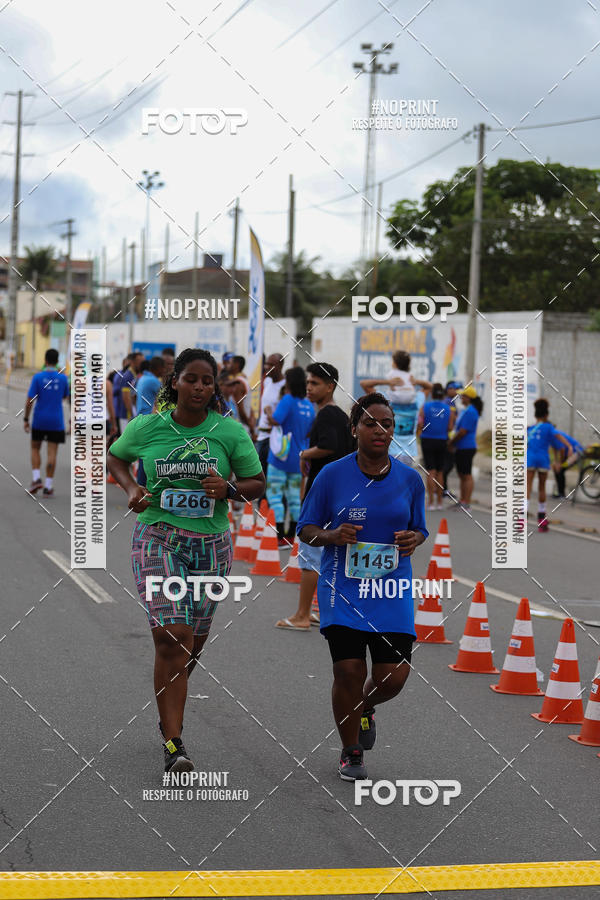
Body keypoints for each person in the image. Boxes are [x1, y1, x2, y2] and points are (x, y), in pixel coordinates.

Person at [107, 348, 265, 774]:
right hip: (158, 535)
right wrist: (130, 488)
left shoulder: (230, 433)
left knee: (190, 643)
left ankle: (168, 705)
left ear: (215, 387)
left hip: (211, 545)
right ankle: (174, 743)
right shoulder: (147, 427)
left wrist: (229, 490)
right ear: (174, 382)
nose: (199, 387)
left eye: (207, 381)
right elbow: (116, 457)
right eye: (191, 379)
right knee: (172, 634)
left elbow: (257, 483)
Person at [297, 392, 427, 780]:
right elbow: (306, 529)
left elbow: (420, 527)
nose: (380, 430)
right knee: (349, 671)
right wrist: (334, 535)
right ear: (354, 429)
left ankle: (364, 707)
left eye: (387, 424)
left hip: (390, 590)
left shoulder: (410, 479)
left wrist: (414, 540)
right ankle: (351, 750)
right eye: (370, 422)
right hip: (344, 589)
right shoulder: (332, 475)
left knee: (394, 675)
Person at [275, 362, 353, 630]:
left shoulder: (328, 414)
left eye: (315, 384)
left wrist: (304, 454)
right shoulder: (340, 415)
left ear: (330, 387)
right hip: (339, 494)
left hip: (324, 496)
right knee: (330, 558)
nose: (309, 388)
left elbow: (329, 447)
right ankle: (322, 610)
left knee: (309, 556)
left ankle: (302, 615)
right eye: (308, 383)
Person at [265, 366, 315, 545]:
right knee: (294, 498)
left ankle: (278, 535)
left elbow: (276, 420)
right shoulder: (309, 405)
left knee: (275, 495)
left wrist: (268, 412)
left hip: (280, 457)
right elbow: (310, 432)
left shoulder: (287, 400)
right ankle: (291, 535)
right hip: (299, 457)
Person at [360, 351, 431, 465]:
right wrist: (415, 381)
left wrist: (388, 382)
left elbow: (364, 384)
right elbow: (429, 386)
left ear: (394, 364)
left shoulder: (386, 400)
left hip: (389, 451)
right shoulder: (417, 400)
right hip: (408, 453)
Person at [25, 348, 70, 496]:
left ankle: (37, 478)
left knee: (35, 448)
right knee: (52, 452)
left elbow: (29, 400)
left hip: (39, 420)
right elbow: (65, 397)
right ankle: (48, 486)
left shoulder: (38, 377)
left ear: (45, 360)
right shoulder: (63, 378)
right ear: (58, 361)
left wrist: (26, 418)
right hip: (56, 421)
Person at [527, 399, 571, 531]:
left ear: (535, 415)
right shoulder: (548, 427)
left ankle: (521, 519)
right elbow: (557, 436)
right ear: (546, 415)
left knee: (527, 487)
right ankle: (541, 519)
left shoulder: (530, 428)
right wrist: (568, 445)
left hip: (530, 458)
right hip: (543, 459)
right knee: (541, 487)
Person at [417, 382, 455, 510]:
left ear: (432, 394)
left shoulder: (425, 407)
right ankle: (439, 502)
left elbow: (420, 424)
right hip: (442, 441)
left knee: (430, 472)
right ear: (443, 394)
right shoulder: (448, 408)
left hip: (427, 440)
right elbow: (450, 427)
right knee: (440, 472)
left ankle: (430, 502)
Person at [446, 386, 482, 510]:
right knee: (462, 474)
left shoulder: (471, 411)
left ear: (469, 398)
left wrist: (451, 442)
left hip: (467, 446)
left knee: (466, 475)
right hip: (462, 447)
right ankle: (462, 500)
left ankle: (466, 501)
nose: (461, 397)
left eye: (463, 395)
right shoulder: (466, 410)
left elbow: (462, 431)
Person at [135, 357, 167, 488]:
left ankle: (141, 485)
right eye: (163, 367)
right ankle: (145, 485)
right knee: (149, 454)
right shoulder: (154, 381)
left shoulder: (142, 378)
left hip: (141, 417)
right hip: (151, 419)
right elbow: (166, 396)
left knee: (143, 453)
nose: (164, 370)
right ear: (158, 368)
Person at [256, 353, 285, 476]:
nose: (267, 367)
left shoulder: (285, 386)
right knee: (259, 474)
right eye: (266, 364)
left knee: (270, 477)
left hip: (273, 438)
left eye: (271, 364)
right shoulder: (267, 381)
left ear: (281, 365)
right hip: (261, 436)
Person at [223, 354, 256, 438]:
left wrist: (251, 428)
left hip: (241, 429)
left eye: (229, 363)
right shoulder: (240, 380)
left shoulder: (238, 384)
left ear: (236, 365)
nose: (227, 365)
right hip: (239, 428)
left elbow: (240, 409)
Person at [550, 428, 584, 499]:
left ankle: (562, 494)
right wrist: (556, 461)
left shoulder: (554, 434)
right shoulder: (550, 435)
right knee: (556, 469)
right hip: (567, 454)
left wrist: (560, 462)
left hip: (576, 453)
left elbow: (562, 449)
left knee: (561, 469)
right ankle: (559, 492)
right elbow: (555, 448)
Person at [441, 381, 462, 494]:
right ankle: (442, 489)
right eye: (454, 389)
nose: (456, 391)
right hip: (447, 437)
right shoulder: (447, 402)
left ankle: (443, 488)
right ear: (448, 389)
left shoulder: (452, 402)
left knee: (447, 464)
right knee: (447, 464)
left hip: (449, 436)